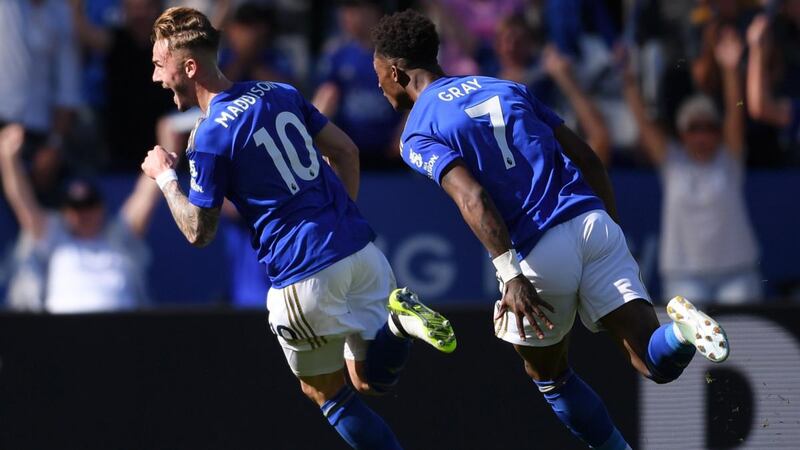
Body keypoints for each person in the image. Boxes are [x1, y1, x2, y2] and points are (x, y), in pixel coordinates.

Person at [371, 10, 730, 449]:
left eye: (378, 75)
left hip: (536, 247)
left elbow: (473, 199)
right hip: (592, 220)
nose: (378, 86)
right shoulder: (505, 86)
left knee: (549, 376)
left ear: (394, 71)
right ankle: (684, 331)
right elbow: (590, 159)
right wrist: (609, 234)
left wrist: (511, 274)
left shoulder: (417, 130)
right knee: (654, 359)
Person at [140, 7, 455, 449]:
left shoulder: (209, 136)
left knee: (325, 392)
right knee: (368, 380)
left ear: (189, 67)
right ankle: (399, 325)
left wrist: (166, 177)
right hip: (360, 251)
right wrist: (338, 225)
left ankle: (398, 328)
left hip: (301, 271)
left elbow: (199, 232)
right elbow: (346, 152)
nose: (155, 76)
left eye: (158, 64)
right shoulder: (278, 91)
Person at [624, 26, 762, 304]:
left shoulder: (729, 159)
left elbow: (736, 112)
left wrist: (731, 71)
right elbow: (643, 123)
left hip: (737, 273)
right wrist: (628, 80)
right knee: (688, 347)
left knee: (744, 346)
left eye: (709, 127)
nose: (702, 135)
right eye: (694, 128)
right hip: (684, 275)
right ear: (682, 134)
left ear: (719, 132)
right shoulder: (671, 162)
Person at [0, 124, 158, 312]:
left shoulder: (120, 236)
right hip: (63, 333)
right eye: (76, 209)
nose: (83, 215)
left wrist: (166, 148)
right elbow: (22, 202)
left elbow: (145, 197)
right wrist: (8, 157)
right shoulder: (55, 237)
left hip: (121, 331)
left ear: (101, 208)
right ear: (66, 212)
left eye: (89, 206)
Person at [312, 0, 404, 170]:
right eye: (345, 9)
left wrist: (405, 136)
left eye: (355, 8)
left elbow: (413, 101)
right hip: (348, 154)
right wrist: (309, 136)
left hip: (392, 156)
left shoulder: (397, 54)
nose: (348, 15)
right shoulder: (338, 54)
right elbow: (326, 96)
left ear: (376, 12)